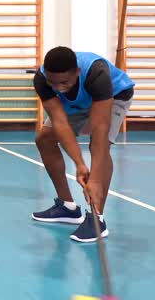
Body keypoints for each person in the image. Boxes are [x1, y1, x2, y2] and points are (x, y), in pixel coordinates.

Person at [30, 46, 135, 243]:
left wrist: (94, 179)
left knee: (99, 144)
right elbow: (60, 122)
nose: (59, 87)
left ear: (77, 72)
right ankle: (68, 208)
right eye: (54, 83)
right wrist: (79, 164)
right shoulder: (42, 80)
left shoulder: (98, 73)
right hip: (78, 102)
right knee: (44, 139)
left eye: (64, 82)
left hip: (114, 95)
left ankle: (97, 219)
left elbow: (100, 130)